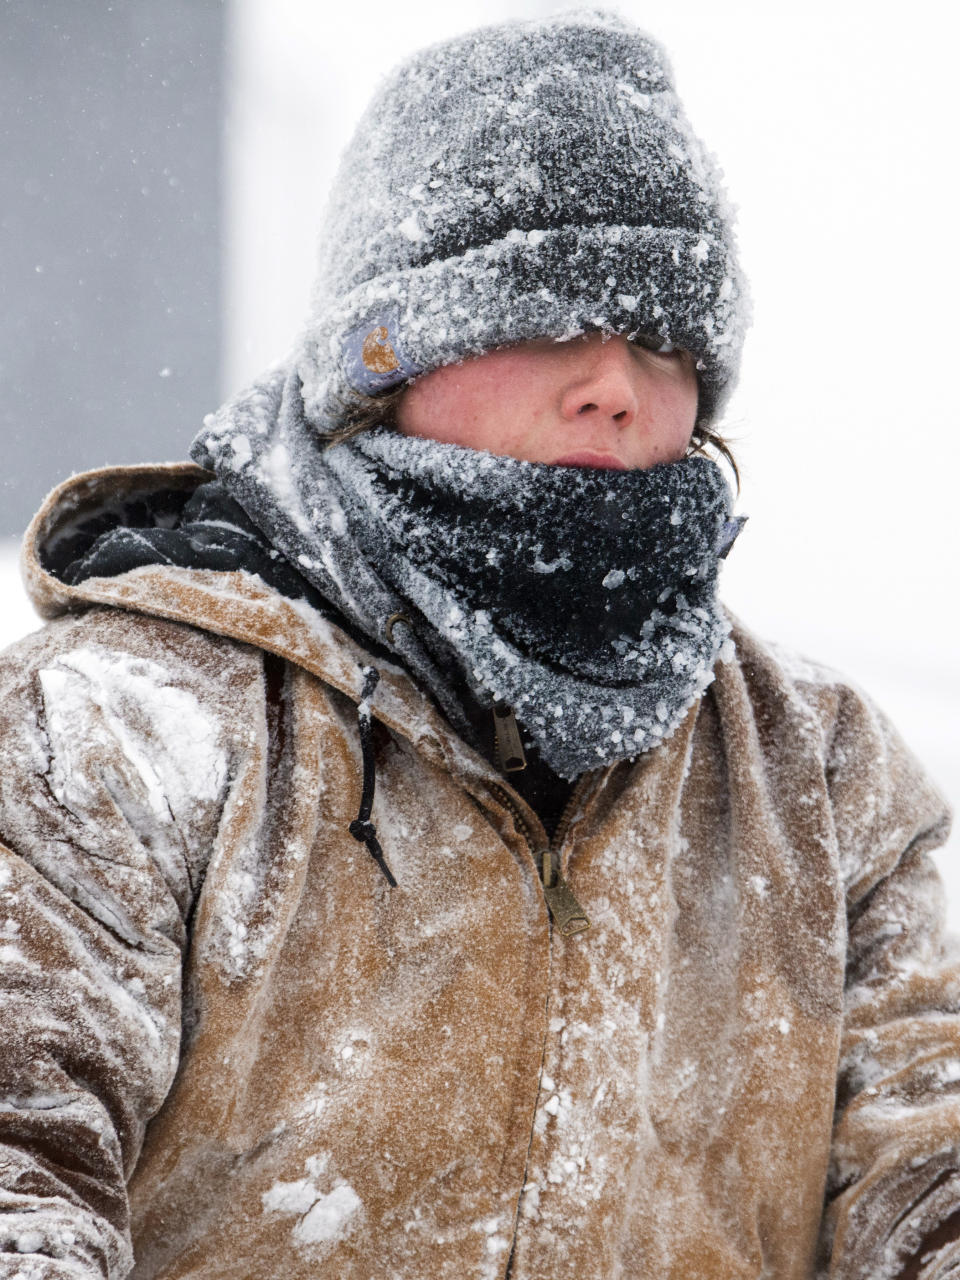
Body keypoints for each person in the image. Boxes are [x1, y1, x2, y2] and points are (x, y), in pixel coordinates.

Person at [1, 10, 957, 1279]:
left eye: (668, 343)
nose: (616, 382)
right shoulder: (125, 731)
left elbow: (929, 1186)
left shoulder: (821, 778)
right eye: (556, 315)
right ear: (383, 356)